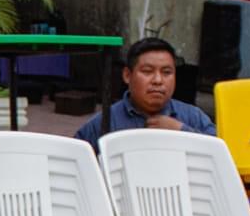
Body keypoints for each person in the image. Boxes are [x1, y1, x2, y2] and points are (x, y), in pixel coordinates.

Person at [74, 37, 214, 149]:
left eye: (166, 72)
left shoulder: (193, 117)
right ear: (127, 75)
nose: (158, 80)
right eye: (147, 71)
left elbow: (223, 157)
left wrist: (182, 132)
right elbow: (76, 160)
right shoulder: (105, 122)